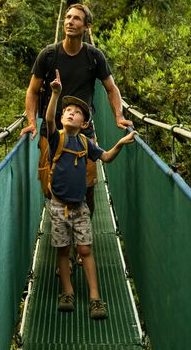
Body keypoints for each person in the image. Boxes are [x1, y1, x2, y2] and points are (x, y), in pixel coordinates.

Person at [22, 3, 132, 214]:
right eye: (68, 17)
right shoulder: (48, 55)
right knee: (50, 186)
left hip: (83, 132)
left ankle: (83, 230)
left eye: (76, 19)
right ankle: (62, 234)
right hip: (52, 130)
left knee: (88, 187)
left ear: (86, 26)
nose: (70, 22)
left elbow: (111, 88)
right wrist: (30, 122)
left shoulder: (94, 56)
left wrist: (118, 116)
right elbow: (32, 91)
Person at [43, 70, 135, 319]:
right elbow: (49, 119)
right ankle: (67, 291)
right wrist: (55, 94)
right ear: (62, 118)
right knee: (63, 251)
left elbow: (105, 157)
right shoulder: (56, 139)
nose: (71, 113)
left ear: (84, 124)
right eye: (67, 112)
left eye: (77, 113)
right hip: (58, 206)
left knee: (85, 250)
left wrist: (120, 144)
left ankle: (95, 297)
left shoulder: (86, 143)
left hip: (80, 207)